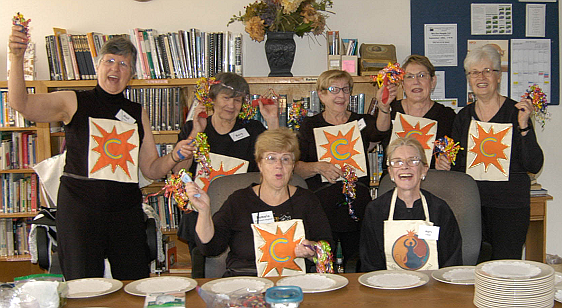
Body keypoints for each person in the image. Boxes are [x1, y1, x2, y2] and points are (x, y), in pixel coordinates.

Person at [8, 26, 193, 280]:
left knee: (134, 283)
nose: (116, 68)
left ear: (132, 74)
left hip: (125, 211)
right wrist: (16, 57)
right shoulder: (73, 101)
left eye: (124, 64)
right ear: (98, 66)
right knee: (84, 287)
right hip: (80, 210)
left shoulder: (138, 112)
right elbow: (21, 104)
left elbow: (150, 169)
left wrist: (175, 156)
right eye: (110, 61)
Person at [184, 128, 333, 276]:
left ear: (293, 166)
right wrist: (204, 211)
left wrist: (312, 249)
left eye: (286, 159)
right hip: (245, 281)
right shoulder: (239, 201)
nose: (279, 165)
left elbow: (327, 247)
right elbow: (210, 248)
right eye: (271, 158)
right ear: (260, 164)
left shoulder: (307, 200)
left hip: (292, 284)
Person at [174, 72, 279, 276]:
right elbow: (179, 171)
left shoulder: (253, 129)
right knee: (203, 277)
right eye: (226, 97)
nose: (231, 105)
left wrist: (273, 121)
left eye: (237, 99)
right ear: (212, 99)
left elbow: (277, 158)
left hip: (241, 217)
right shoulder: (193, 128)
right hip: (199, 214)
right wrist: (196, 131)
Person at [446, 45, 543, 260]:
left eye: (487, 71)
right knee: (473, 268)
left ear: (498, 77)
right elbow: (457, 164)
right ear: (469, 79)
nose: (481, 77)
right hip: (472, 207)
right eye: (474, 72)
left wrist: (524, 126)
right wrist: (446, 164)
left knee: (506, 269)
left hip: (509, 207)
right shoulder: (463, 117)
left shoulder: (516, 112)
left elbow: (534, 164)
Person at [294, 70, 379, 272]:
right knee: (322, 265)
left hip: (358, 205)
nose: (340, 95)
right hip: (321, 207)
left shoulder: (362, 121)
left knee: (362, 264)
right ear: (321, 95)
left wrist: (383, 108)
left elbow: (382, 134)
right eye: (333, 89)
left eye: (345, 89)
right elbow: (295, 167)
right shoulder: (309, 125)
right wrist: (317, 166)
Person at [360, 137, 462, 271]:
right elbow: (370, 265)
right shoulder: (375, 210)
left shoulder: (440, 209)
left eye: (412, 161)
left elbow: (451, 263)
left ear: (424, 170)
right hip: (389, 287)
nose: (405, 166)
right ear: (390, 172)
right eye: (397, 162)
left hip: (433, 287)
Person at [374, 55, 456, 169]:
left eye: (422, 76)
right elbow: (379, 133)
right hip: (394, 179)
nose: (416, 82)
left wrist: (445, 161)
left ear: (433, 81)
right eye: (409, 77)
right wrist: (383, 106)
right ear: (402, 84)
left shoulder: (447, 116)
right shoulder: (391, 110)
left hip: (431, 180)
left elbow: (454, 153)